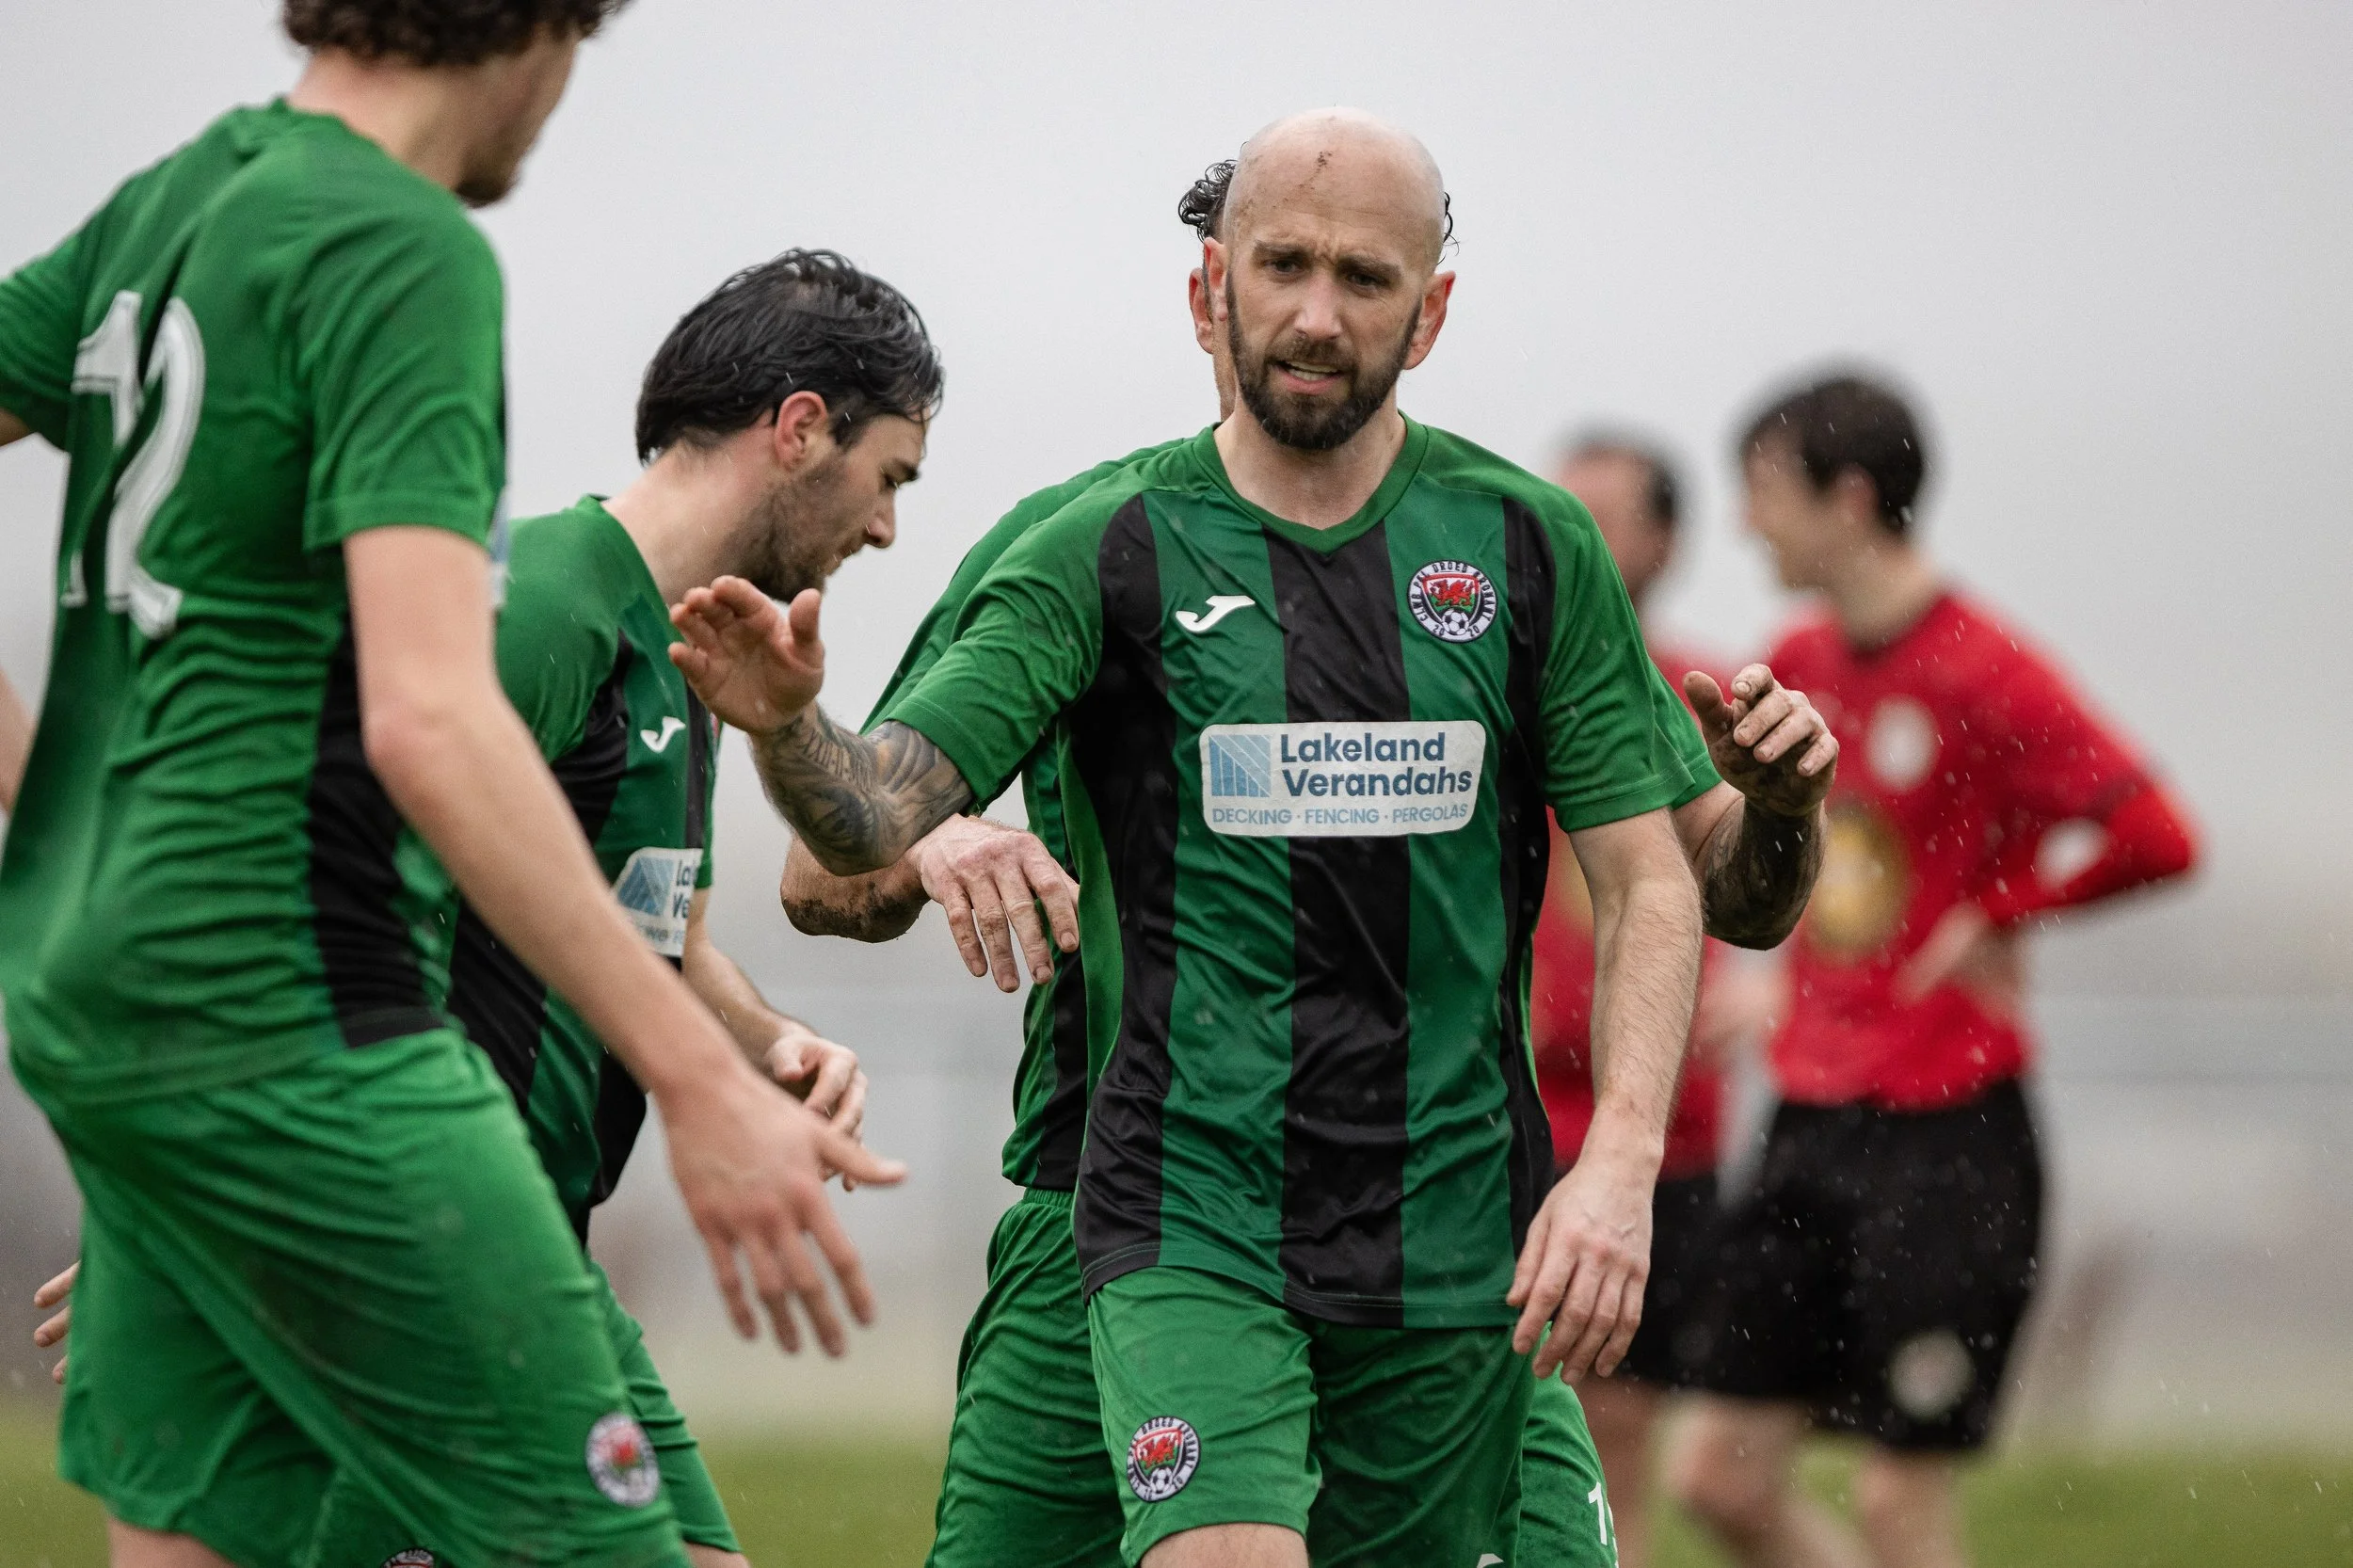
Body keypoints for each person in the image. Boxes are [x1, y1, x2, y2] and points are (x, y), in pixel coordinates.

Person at [678, 110, 1832, 1568]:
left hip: (1454, 1235)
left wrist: (1628, 1143)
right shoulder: (1091, 546)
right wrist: (858, 775)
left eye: (1363, 277)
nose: (1313, 312)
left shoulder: (1526, 545)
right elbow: (841, 853)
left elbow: (1703, 886)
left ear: (1430, 316)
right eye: (1282, 263)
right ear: (1207, 288)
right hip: (1154, 1205)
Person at [0, 7, 895, 1565]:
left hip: (99, 1000)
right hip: (300, 1017)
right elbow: (430, 727)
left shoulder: (167, 205)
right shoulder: (401, 245)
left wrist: (58, 799)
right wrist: (695, 1084)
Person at [1665, 373, 2200, 1568]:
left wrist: (2006, 910)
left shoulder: (1984, 670)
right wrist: (1780, 980)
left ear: (1847, 498)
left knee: (1899, 1505)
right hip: (1811, 1118)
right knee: (1716, 1475)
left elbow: (2160, 836)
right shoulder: (1796, 657)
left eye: (1763, 491)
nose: (1746, 524)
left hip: (1950, 1137)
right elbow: (1818, 861)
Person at [1529, 434, 1741, 1568]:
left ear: (1662, 541)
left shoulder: (1697, 699)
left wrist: (1783, 994)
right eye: (1561, 508)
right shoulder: (1492, 681)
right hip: (1499, 1121)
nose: (1576, 536)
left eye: (1603, 514)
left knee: (1612, 1453)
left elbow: (1785, 874)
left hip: (1652, 1137)